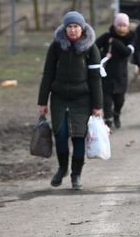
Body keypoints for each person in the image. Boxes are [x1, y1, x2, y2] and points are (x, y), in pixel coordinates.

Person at [37, 11, 103, 190]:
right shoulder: (56, 46)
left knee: (79, 137)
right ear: (64, 29)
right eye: (69, 27)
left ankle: (76, 175)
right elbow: (48, 74)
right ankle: (62, 167)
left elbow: (95, 78)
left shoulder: (91, 48)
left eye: (76, 27)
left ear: (82, 28)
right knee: (60, 134)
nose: (73, 30)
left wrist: (98, 106)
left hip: (82, 99)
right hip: (59, 97)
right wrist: (43, 102)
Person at [95, 13, 136, 130]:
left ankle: (116, 114)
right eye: (119, 25)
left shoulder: (131, 37)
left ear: (128, 27)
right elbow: (94, 48)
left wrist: (115, 42)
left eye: (124, 25)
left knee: (119, 100)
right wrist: (104, 55)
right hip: (107, 74)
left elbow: (127, 52)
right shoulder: (107, 36)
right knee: (106, 100)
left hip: (121, 75)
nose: (121, 28)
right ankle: (108, 121)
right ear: (115, 25)